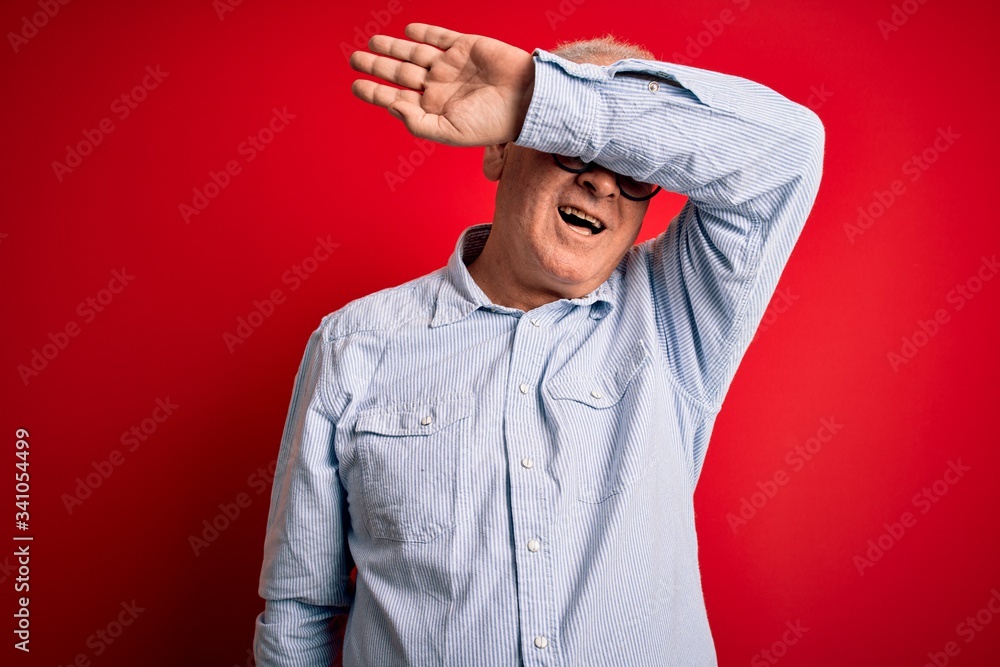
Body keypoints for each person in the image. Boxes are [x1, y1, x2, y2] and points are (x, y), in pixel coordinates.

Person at [253, 22, 824, 666]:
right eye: (569, 147)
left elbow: (790, 152)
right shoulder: (355, 344)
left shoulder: (676, 314)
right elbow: (300, 613)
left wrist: (544, 100)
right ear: (500, 152)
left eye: (636, 167)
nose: (604, 184)